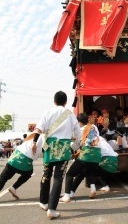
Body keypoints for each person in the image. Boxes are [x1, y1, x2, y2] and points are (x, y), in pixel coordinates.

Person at [32, 91, 81, 220]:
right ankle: (52, 209)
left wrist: (33, 142)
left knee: (46, 174)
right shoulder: (70, 115)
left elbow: (38, 129)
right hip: (63, 147)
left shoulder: (47, 113)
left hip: (49, 146)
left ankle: (43, 202)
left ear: (54, 101)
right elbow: (77, 134)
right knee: (58, 177)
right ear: (65, 102)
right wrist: (74, 147)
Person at [60, 113, 101, 203]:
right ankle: (92, 189)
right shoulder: (94, 126)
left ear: (79, 122)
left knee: (70, 174)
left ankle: (67, 195)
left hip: (86, 154)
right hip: (97, 154)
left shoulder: (79, 130)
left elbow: (75, 146)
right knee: (86, 171)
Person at [0, 133, 43, 199]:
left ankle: (13, 188)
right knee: (28, 174)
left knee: (3, 177)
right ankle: (14, 187)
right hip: (25, 161)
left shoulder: (33, 135)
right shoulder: (46, 138)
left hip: (15, 157)